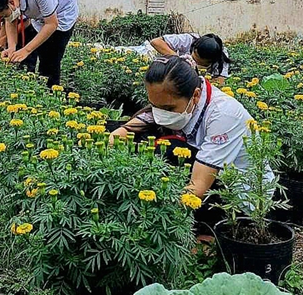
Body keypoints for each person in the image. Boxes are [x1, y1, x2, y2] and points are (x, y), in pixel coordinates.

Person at [109, 56, 270, 229]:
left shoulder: (224, 115)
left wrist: (148, 214)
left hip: (239, 200)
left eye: (168, 108)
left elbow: (198, 187)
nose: (160, 113)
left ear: (196, 95)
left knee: (170, 150)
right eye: (154, 105)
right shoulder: (182, 97)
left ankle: (206, 230)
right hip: (204, 171)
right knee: (143, 136)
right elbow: (126, 131)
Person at [124, 33, 231, 85]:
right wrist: (180, 61)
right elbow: (155, 42)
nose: (194, 62)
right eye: (194, 58)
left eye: (200, 63)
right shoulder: (189, 39)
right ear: (194, 47)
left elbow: (220, 82)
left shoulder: (222, 58)